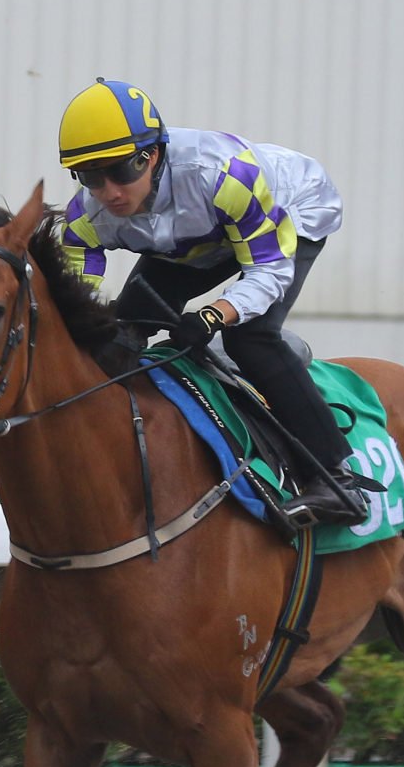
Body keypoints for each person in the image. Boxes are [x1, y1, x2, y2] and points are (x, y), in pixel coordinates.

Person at [55, 78, 365, 527]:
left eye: (121, 171)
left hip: (287, 210)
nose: (110, 192)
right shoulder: (85, 218)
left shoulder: (225, 176)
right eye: (90, 177)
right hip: (196, 234)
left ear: (152, 155)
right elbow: (75, 310)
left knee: (248, 337)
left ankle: (338, 480)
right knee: (120, 333)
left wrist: (213, 315)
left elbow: (269, 271)